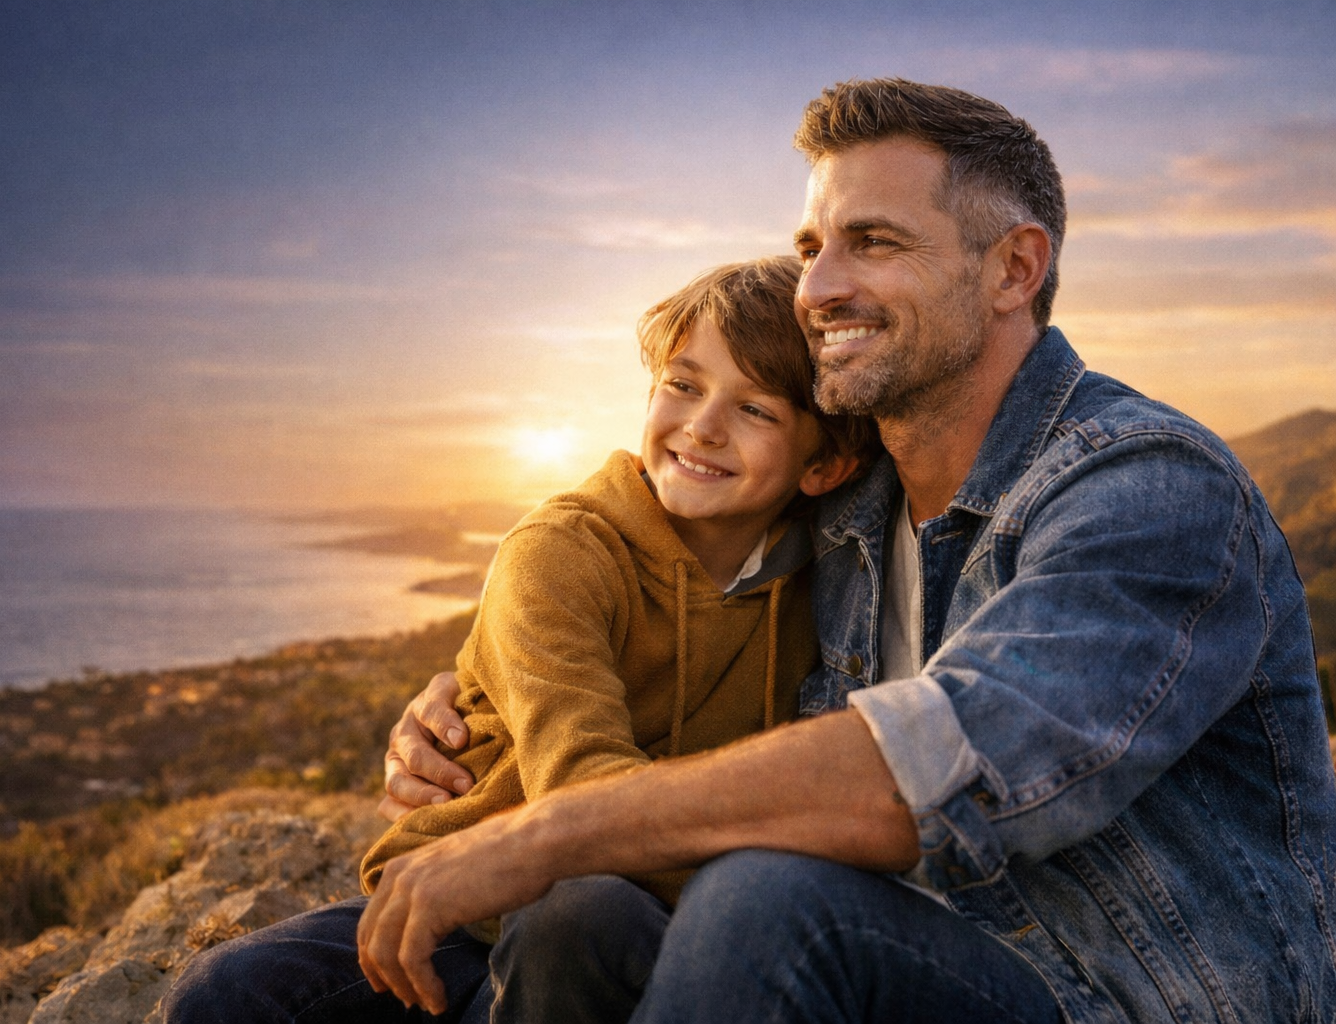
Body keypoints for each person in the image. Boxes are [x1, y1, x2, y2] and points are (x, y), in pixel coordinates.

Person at [365, 78, 1336, 1024]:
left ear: (1013, 269)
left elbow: (944, 764)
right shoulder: (843, 510)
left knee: (764, 902)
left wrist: (549, 829)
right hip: (884, 962)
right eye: (811, 247)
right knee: (505, 938)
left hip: (1108, 995)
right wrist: (479, 695)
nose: (818, 288)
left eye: (873, 242)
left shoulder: (1149, 489)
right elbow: (670, 576)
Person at [162, 257, 877, 1022]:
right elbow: (579, 788)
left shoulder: (832, 584)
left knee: (581, 913)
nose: (702, 426)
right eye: (683, 384)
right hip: (469, 909)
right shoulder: (561, 550)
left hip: (623, 931)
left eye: (756, 409)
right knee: (227, 992)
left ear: (825, 465)